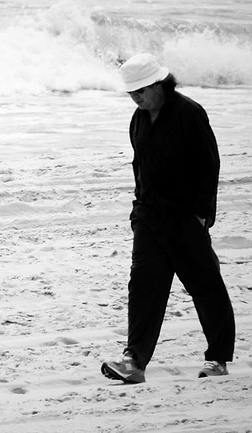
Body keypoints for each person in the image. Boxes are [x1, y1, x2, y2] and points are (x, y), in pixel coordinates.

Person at [101, 53, 236, 384]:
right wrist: (138, 212)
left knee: (205, 285)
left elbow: (209, 167)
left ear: (160, 84)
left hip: (185, 217)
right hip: (149, 217)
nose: (136, 98)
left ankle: (218, 358)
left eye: (142, 91)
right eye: (132, 93)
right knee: (143, 286)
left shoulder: (189, 114)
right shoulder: (139, 118)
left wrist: (203, 216)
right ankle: (134, 361)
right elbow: (140, 168)